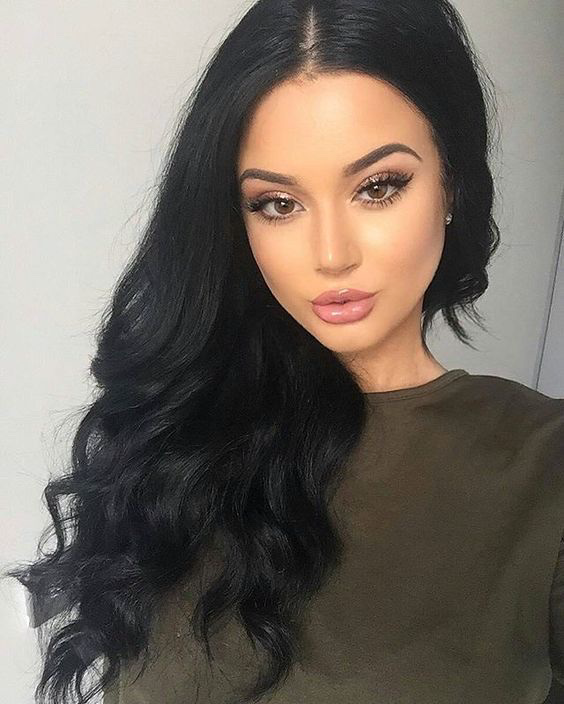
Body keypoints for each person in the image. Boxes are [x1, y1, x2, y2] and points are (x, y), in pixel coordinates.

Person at [4, 0, 564, 702]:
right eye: (278, 203)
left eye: (377, 187)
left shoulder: (542, 469)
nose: (331, 254)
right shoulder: (176, 436)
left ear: (451, 182)